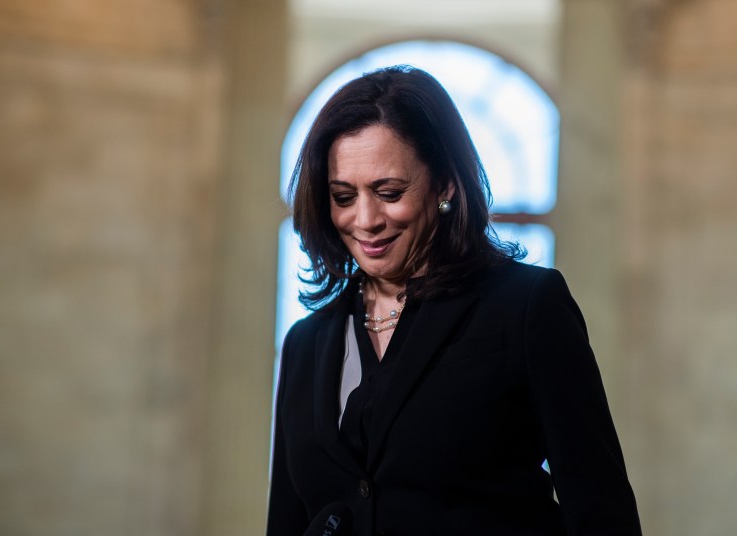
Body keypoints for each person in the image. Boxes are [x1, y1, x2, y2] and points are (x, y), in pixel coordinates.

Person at [267, 65, 642, 535]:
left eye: (389, 192)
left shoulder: (526, 305)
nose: (366, 220)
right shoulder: (306, 342)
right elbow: (287, 520)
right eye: (343, 197)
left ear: (445, 183)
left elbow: (601, 511)